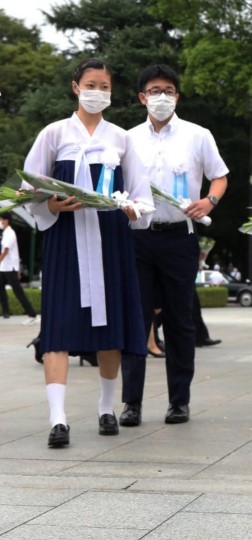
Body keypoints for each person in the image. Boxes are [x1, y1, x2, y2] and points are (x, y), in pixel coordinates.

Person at [23, 58, 153, 447]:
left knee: (109, 330)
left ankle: (106, 407)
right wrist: (51, 207)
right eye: (92, 84)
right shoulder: (54, 133)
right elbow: (30, 188)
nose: (99, 92)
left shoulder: (121, 139)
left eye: (105, 86)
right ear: (76, 87)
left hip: (110, 238)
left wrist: (133, 209)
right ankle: (58, 419)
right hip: (65, 238)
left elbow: (142, 194)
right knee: (58, 327)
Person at [120, 64, 229, 427]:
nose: (161, 97)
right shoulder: (127, 138)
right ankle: (131, 403)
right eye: (154, 90)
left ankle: (178, 401)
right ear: (141, 97)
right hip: (137, 236)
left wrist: (209, 202)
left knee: (180, 321)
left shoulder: (198, 135)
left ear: (178, 96)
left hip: (180, 238)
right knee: (136, 321)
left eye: (168, 90)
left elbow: (220, 176)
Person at [0, 214, 39, 325]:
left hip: (10, 268)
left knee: (18, 292)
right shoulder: (5, 233)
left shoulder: (10, 233)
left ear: (6, 221)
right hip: (3, 267)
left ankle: (33, 315)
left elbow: (6, 251)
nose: (0, 222)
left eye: (1, 219)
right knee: (1, 289)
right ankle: (6, 312)